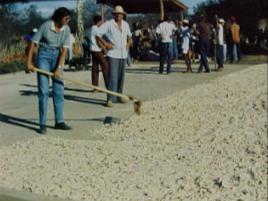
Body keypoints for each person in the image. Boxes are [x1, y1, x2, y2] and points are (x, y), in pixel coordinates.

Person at [26, 7, 72, 134]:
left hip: (57, 56)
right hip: (44, 57)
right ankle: (42, 124)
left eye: (69, 18)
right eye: (66, 18)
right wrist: (29, 63)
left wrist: (59, 68)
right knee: (44, 91)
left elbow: (64, 51)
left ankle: (59, 121)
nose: (68, 20)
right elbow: (33, 44)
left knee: (59, 90)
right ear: (59, 17)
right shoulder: (46, 26)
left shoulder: (66, 29)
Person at [96, 5, 132, 107]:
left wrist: (127, 45)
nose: (118, 16)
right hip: (113, 54)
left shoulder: (126, 24)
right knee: (113, 77)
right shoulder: (109, 24)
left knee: (121, 77)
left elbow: (130, 36)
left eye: (120, 14)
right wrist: (106, 44)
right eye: (116, 14)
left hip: (123, 54)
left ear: (123, 15)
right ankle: (110, 99)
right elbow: (97, 34)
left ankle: (119, 95)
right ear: (114, 15)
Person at [90, 15, 108, 89]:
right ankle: (108, 85)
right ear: (99, 21)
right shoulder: (95, 28)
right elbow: (98, 38)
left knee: (95, 68)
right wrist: (104, 47)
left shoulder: (93, 28)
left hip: (93, 49)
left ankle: (95, 86)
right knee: (105, 65)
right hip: (97, 50)